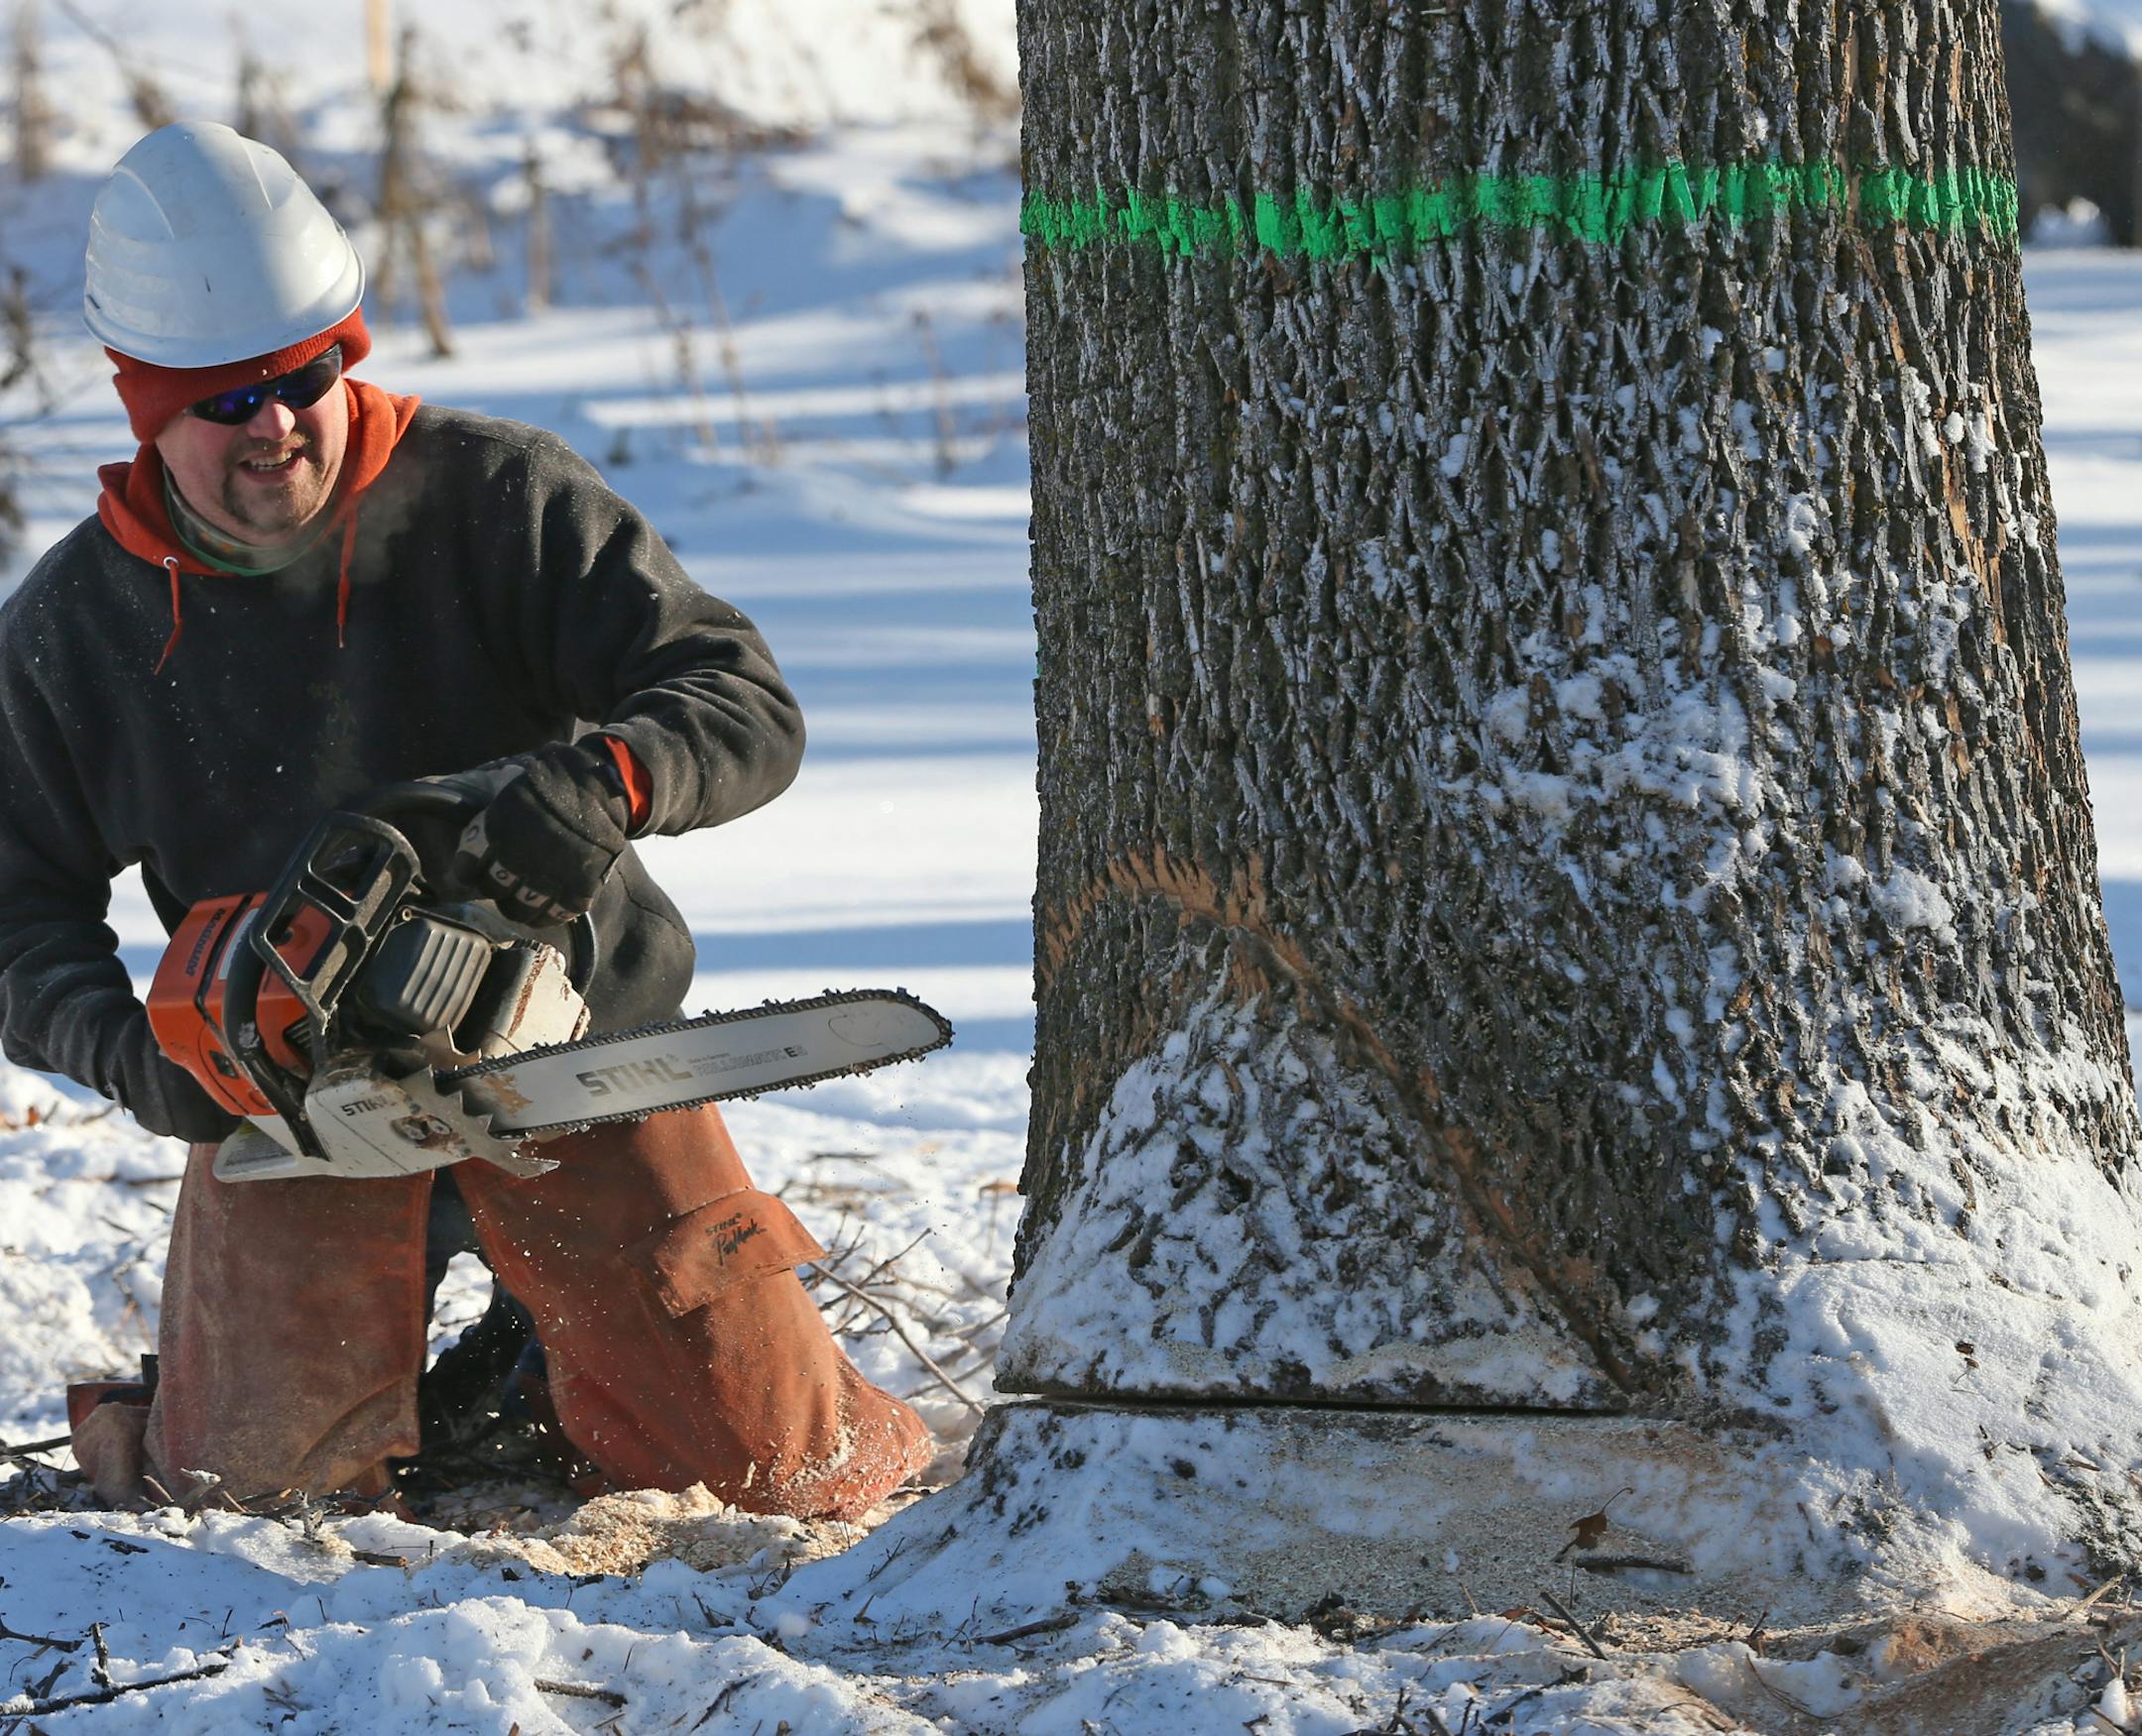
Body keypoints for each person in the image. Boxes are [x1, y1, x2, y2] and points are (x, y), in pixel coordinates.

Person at [0, 121, 933, 1514]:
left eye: (306, 375)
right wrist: (137, 1057)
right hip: (295, 1102)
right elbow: (14, 912)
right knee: (247, 1492)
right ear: (147, 406)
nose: (276, 424)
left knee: (783, 1471)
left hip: (578, 1058)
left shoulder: (498, 499)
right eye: (227, 398)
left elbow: (740, 698)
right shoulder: (77, 630)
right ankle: (214, 1405)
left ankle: (549, 1374)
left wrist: (607, 782)